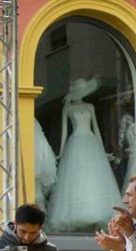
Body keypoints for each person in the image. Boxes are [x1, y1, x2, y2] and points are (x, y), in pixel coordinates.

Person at [47, 76, 122, 233]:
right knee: (77, 178)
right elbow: (64, 131)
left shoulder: (90, 107)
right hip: (75, 142)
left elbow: (96, 128)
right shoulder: (68, 109)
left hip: (91, 141)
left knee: (93, 177)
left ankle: (96, 217)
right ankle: (79, 218)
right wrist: (60, 152)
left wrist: (102, 150)